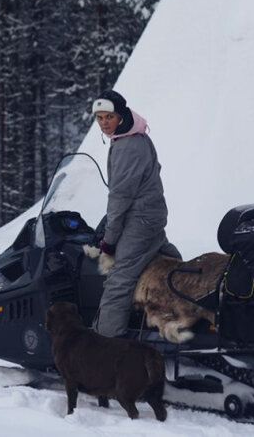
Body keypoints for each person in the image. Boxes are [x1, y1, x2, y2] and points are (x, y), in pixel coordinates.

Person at [91, 89, 182, 338]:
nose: (104, 123)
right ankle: (185, 306)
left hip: (140, 219)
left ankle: (108, 344)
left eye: (109, 117)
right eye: (99, 117)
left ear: (120, 116)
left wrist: (109, 239)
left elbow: (120, 196)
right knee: (169, 259)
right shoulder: (134, 136)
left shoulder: (128, 145)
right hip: (150, 215)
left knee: (119, 280)